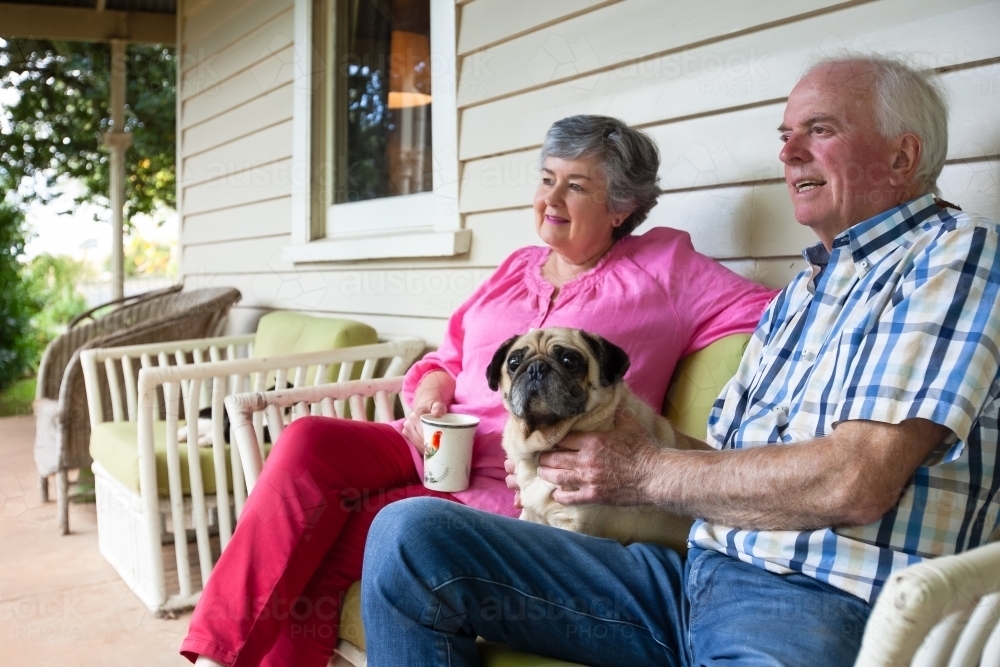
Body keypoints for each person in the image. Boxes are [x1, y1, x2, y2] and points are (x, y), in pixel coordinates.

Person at [361, 55, 1000, 667]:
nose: (788, 152)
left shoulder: (953, 256)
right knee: (409, 537)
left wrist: (645, 468)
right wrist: (636, 450)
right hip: (691, 567)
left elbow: (856, 480)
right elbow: (731, 464)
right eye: (785, 135)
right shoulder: (802, 294)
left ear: (902, 154)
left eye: (820, 130)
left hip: (813, 596)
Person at [180, 115, 775, 667]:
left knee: (344, 528)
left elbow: (778, 312)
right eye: (546, 180)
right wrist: (430, 388)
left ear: (621, 207)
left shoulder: (666, 267)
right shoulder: (516, 265)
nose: (551, 198)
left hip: (516, 479)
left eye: (576, 186)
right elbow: (451, 353)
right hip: (440, 440)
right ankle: (214, 654)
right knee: (309, 440)